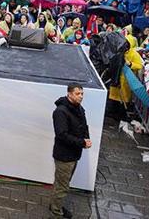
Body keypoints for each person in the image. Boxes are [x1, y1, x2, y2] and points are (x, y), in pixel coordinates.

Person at [49, 83, 91, 218]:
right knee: (62, 186)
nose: (81, 96)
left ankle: (56, 205)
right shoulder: (60, 112)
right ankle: (56, 212)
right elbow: (62, 135)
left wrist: (86, 139)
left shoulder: (78, 108)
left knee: (62, 183)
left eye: (82, 94)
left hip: (74, 154)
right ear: (69, 94)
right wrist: (81, 142)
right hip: (64, 156)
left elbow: (84, 125)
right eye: (77, 94)